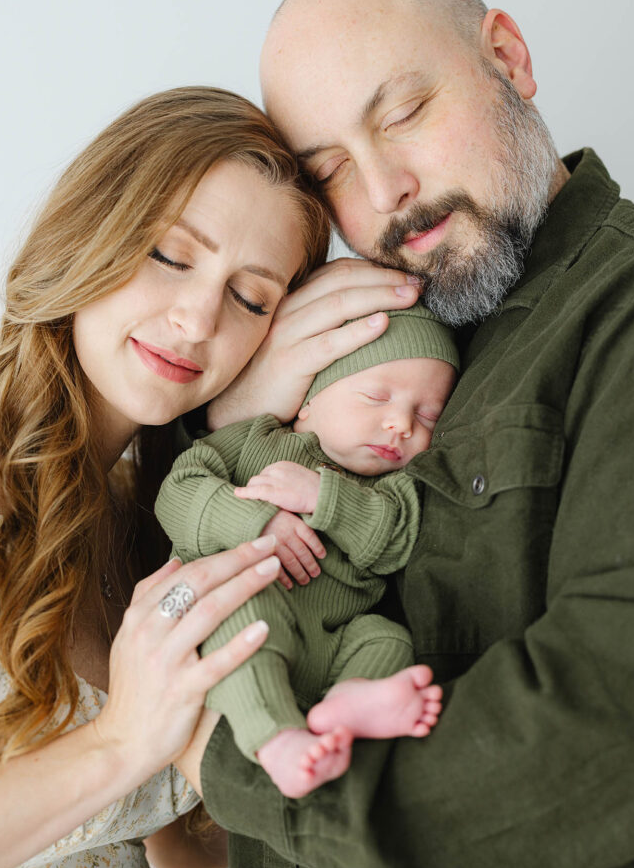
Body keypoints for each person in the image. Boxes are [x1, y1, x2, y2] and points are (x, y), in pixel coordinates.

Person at [180, 0, 634, 868]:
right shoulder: (356, 349)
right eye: (330, 170)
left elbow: (619, 712)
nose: (385, 190)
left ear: (507, 57)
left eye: (400, 112)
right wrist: (250, 422)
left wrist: (220, 758)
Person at [0, 84, 421, 868]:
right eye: (169, 255)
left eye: (251, 299)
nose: (194, 320)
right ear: (91, 228)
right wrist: (120, 742)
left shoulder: (155, 505)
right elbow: (126, 755)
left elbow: (180, 846)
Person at [156, 304, 456, 798]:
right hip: (245, 611)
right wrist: (256, 519)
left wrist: (325, 499)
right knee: (235, 613)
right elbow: (178, 491)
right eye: (375, 396)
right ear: (309, 401)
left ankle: (347, 701)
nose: (401, 423)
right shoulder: (256, 443)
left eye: (427, 415)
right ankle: (276, 739)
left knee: (388, 639)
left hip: (332, 642)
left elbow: (396, 541)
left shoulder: (396, 491)